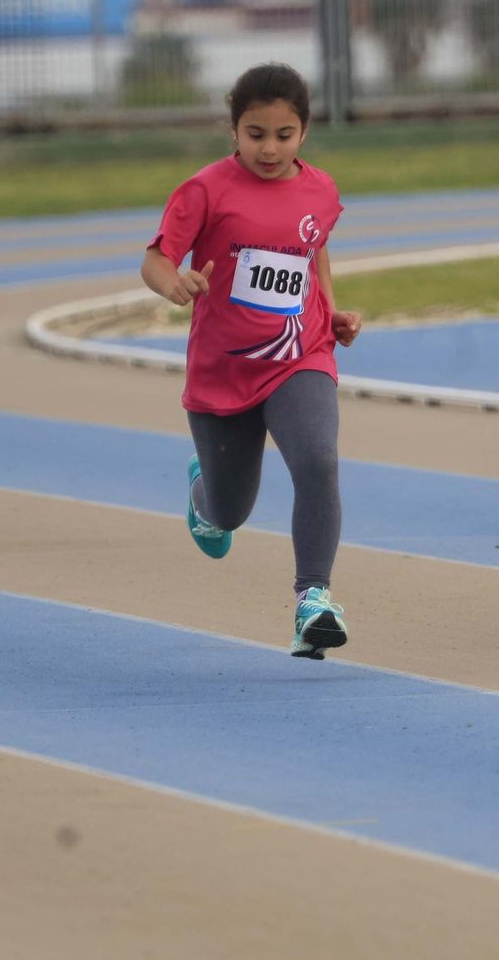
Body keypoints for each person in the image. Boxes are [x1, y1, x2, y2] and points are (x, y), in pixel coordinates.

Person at [141, 63, 363, 659]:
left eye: (283, 135)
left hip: (300, 355)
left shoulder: (320, 189)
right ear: (233, 130)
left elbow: (312, 255)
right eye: (255, 134)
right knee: (230, 513)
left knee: (318, 459)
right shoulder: (205, 190)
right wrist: (175, 285)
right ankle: (203, 497)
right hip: (223, 371)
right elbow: (156, 259)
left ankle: (312, 598)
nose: (270, 148)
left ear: (304, 131)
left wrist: (333, 313)